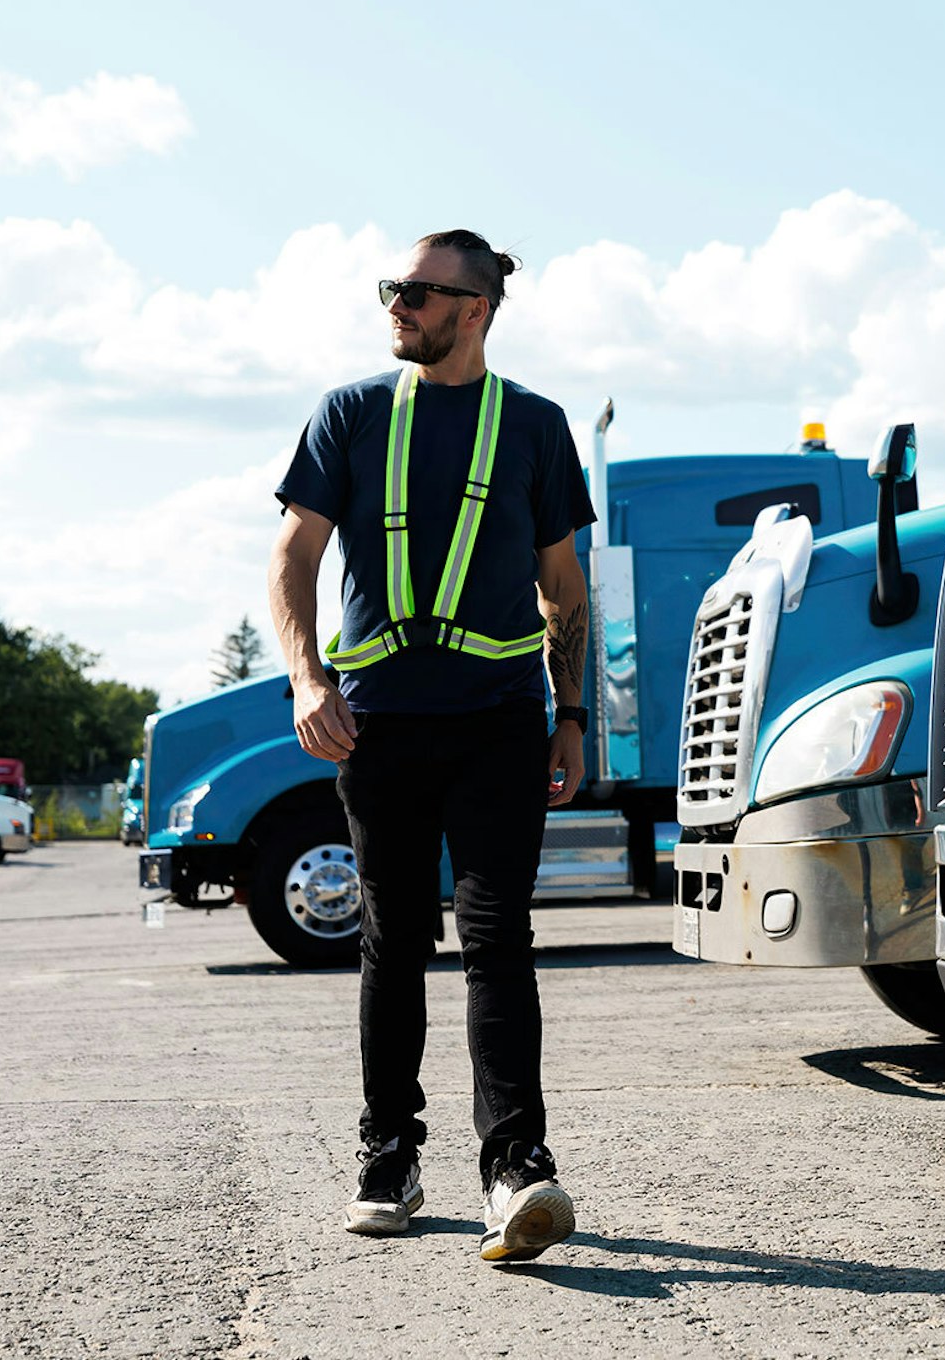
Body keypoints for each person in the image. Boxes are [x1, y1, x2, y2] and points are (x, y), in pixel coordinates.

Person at [267, 227, 596, 1265]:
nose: (397, 306)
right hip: (381, 723)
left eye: (417, 292)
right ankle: (388, 1154)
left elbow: (564, 590)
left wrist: (572, 712)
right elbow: (293, 553)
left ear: (476, 307)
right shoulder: (351, 414)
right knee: (393, 937)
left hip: (500, 724)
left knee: (499, 938)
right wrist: (307, 677)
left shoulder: (536, 426)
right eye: (392, 290)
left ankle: (517, 1168)